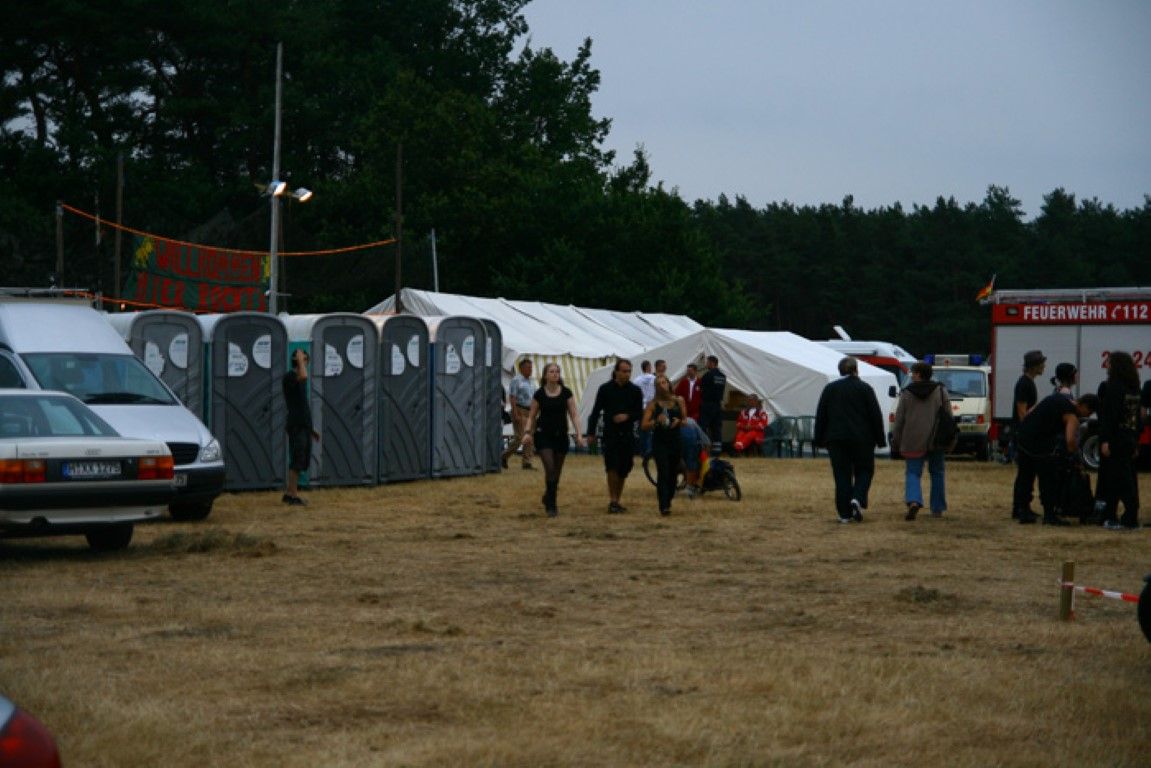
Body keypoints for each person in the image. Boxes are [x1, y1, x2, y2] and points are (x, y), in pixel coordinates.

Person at [813, 357, 886, 523]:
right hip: (862, 439)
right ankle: (857, 497)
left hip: (836, 439)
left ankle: (844, 514)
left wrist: (819, 439)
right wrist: (880, 439)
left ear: (840, 371)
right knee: (865, 470)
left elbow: (821, 415)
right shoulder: (865, 388)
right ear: (856, 369)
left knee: (841, 475)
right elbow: (875, 415)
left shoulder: (830, 389)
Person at [1015, 392, 1099, 526]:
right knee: (1047, 477)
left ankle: (1022, 510)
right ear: (1084, 405)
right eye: (1089, 412)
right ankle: (1049, 515)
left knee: (1025, 475)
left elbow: (1032, 410)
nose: (1087, 416)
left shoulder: (1059, 397)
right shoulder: (1072, 415)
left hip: (1024, 435)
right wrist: (1077, 459)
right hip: (1039, 442)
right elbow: (1070, 441)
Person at [521, 363, 584, 518]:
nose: (555, 374)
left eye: (557, 371)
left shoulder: (566, 393)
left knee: (556, 472)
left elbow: (574, 414)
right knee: (549, 468)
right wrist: (527, 432)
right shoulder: (539, 394)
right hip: (544, 435)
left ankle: (548, 496)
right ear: (545, 375)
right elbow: (532, 416)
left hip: (561, 436)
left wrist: (579, 434)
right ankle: (552, 504)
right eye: (551, 371)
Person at [891, 361, 950, 520]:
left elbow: (899, 419)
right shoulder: (940, 391)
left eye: (913, 373)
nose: (911, 376)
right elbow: (948, 415)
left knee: (912, 472)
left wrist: (896, 439)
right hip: (936, 438)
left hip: (912, 439)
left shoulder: (907, 393)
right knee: (937, 473)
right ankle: (937, 508)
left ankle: (914, 501)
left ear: (918, 374)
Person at [587, 359, 644, 514]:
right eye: (624, 371)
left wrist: (627, 416)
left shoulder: (635, 391)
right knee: (612, 466)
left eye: (629, 371)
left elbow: (639, 412)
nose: (627, 374)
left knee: (624, 468)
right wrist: (591, 432)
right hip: (610, 434)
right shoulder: (605, 389)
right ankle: (613, 501)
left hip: (628, 434)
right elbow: (595, 411)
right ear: (616, 372)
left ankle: (617, 500)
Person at [1097, 351, 1141, 530]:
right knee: (1127, 477)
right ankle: (1117, 515)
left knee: (1117, 479)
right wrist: (1135, 441)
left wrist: (1105, 440)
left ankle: (1124, 517)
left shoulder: (1113, 387)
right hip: (1128, 437)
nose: (1106, 365)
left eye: (1109, 362)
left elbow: (1110, 417)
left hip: (1116, 438)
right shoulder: (1134, 388)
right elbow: (1135, 419)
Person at [641, 373, 687, 516]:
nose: (662, 385)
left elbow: (685, 420)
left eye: (664, 382)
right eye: (659, 383)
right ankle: (663, 505)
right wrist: (656, 421)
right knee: (663, 471)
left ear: (669, 384)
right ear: (656, 387)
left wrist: (679, 422)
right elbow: (644, 425)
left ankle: (669, 498)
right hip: (660, 442)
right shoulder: (653, 404)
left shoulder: (679, 400)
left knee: (673, 473)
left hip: (675, 441)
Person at [1010, 349, 1046, 520]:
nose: (1044, 366)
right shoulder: (1024, 384)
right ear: (1034, 366)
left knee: (1027, 473)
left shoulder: (1028, 382)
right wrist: (1029, 430)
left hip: (1025, 433)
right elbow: (1022, 411)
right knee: (1025, 473)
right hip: (1024, 435)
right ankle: (1020, 508)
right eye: (1041, 364)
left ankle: (1023, 506)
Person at [282, 348, 320, 506]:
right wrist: (299, 359)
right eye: (305, 361)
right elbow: (303, 375)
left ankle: (289, 494)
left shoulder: (299, 379)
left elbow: (302, 405)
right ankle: (292, 495)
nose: (306, 364)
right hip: (296, 425)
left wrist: (311, 428)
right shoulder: (290, 377)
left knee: (301, 460)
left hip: (303, 425)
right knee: (297, 460)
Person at [501, 358, 536, 470]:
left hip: (530, 411)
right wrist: (515, 413)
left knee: (529, 436)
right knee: (520, 437)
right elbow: (512, 397)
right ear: (521, 368)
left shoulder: (532, 381)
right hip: (520, 409)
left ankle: (527, 462)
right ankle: (503, 456)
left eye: (531, 367)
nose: (530, 369)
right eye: (528, 367)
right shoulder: (516, 380)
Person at [699, 355, 728, 453]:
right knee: (716, 428)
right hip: (717, 405)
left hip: (707, 405)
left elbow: (702, 389)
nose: (706, 364)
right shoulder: (722, 376)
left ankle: (703, 448)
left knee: (703, 426)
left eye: (707, 362)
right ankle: (717, 450)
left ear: (712, 363)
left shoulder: (707, 375)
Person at [679, 416, 710, 498]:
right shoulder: (691, 421)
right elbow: (706, 441)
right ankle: (690, 487)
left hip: (684, 444)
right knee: (692, 464)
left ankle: (688, 486)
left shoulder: (670, 420)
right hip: (693, 444)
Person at [633, 360, 656, 457]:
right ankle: (650, 450)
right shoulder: (654, 378)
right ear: (648, 367)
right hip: (652, 407)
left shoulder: (636, 380)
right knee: (652, 428)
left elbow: (634, 394)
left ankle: (643, 451)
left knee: (642, 430)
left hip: (641, 407)